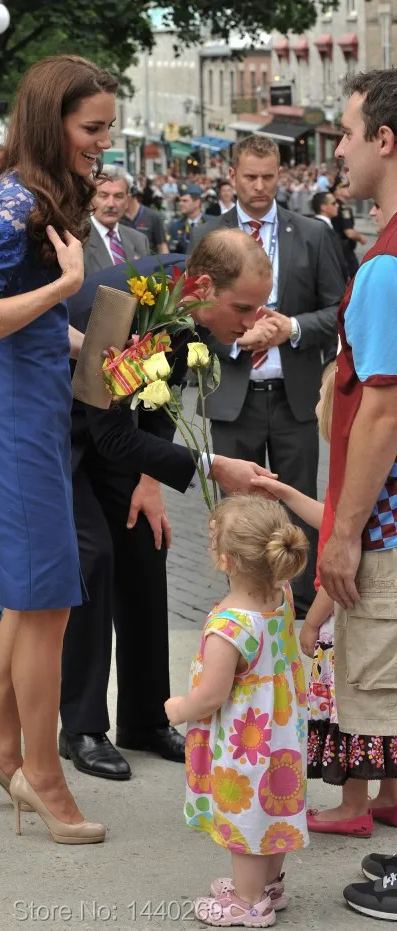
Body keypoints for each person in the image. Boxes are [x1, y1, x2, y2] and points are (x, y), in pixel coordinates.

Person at [0, 55, 119, 845]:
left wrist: (90, 344)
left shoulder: (34, 195)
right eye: (92, 129)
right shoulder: (12, 203)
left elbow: (25, 324)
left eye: (107, 130)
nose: (103, 144)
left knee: (31, 597)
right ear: (51, 118)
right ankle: (41, 773)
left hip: (34, 416)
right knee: (49, 599)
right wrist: (64, 288)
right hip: (18, 425)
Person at [61, 231, 276, 780]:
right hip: (57, 434)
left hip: (111, 424)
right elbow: (109, 436)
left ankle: (144, 717)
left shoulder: (187, 301)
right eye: (244, 308)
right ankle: (82, 726)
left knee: (144, 541)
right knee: (94, 555)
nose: (253, 323)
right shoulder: (125, 306)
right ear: (203, 286)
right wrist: (211, 465)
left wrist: (150, 480)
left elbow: (162, 389)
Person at [190, 135, 346, 617]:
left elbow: (340, 310)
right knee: (236, 505)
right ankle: (244, 598)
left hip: (294, 393)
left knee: (298, 498)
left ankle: (302, 601)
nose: (259, 187)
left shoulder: (313, 234)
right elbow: (190, 314)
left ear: (281, 174)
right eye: (250, 176)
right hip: (234, 393)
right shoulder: (208, 235)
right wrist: (237, 338)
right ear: (232, 176)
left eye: (268, 176)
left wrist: (292, 328)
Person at [314, 69, 397, 920]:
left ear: (386, 139)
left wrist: (343, 533)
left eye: (344, 132)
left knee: (389, 693)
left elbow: (381, 411)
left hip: (393, 528)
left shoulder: (386, 265)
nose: (336, 149)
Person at [254, 364, 397, 840]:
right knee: (385, 709)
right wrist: (285, 491)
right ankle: (390, 797)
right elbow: (332, 518)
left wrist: (311, 623)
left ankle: (351, 805)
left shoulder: (357, 470)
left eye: (322, 398)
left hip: (352, 616)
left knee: (349, 713)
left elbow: (340, 570)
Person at [165, 495, 309, 926]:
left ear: (225, 561)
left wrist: (178, 708)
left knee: (246, 815)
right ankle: (269, 885)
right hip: (282, 730)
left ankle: (247, 903)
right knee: (276, 804)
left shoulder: (228, 627)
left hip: (247, 738)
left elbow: (211, 695)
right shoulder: (281, 596)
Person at [83, 168, 149, 276]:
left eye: (118, 196)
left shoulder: (139, 240)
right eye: (103, 196)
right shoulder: (77, 241)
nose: (111, 204)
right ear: (90, 199)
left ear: (127, 201)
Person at [331, 178, 367, 278]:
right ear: (338, 191)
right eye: (345, 187)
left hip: (336, 247)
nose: (348, 189)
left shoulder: (334, 205)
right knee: (354, 277)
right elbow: (349, 232)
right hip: (344, 249)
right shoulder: (343, 208)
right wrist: (361, 238)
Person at [311, 190, 349, 284]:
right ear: (323, 207)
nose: (337, 205)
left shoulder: (313, 225)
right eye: (333, 203)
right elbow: (338, 260)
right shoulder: (323, 229)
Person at [121, 182, 169, 253]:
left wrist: (165, 263)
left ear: (131, 197)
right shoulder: (117, 218)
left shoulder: (153, 216)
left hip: (150, 262)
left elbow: (162, 246)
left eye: (119, 196)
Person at [168, 183, 206, 253]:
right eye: (180, 200)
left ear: (197, 203)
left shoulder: (212, 223)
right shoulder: (175, 226)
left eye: (185, 201)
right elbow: (171, 254)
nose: (180, 204)